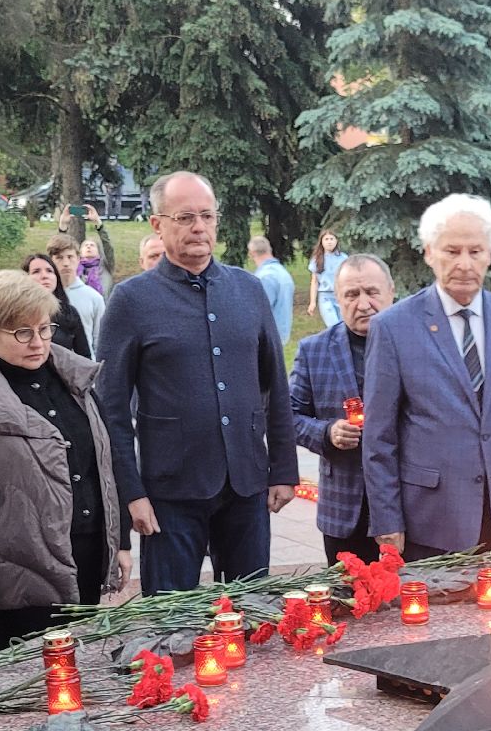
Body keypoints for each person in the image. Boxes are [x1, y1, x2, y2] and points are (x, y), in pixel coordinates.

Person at [94, 170, 297, 595]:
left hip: (245, 483)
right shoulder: (131, 301)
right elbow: (110, 408)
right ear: (157, 224)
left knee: (250, 611)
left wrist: (283, 468)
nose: (199, 227)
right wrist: (131, 493)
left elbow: (276, 386)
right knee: (171, 618)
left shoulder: (248, 290)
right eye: (185, 217)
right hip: (170, 491)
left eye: (207, 215)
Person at [0, 270, 130, 650]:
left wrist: (119, 540)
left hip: (83, 557)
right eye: (22, 333)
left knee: (79, 669)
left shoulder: (71, 377)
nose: (37, 342)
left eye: (44, 328)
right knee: (26, 678)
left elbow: (104, 461)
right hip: (13, 574)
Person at [364, 194, 491, 559]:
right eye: (452, 251)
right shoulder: (393, 328)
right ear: (429, 253)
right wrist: (387, 518)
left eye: (475, 251)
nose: (464, 264)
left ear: (490, 254)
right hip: (430, 515)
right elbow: (379, 436)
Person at [290, 254, 394, 563]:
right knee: (347, 592)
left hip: (407, 504)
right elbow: (288, 417)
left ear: (390, 292)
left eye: (372, 292)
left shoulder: (417, 346)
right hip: (344, 509)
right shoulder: (313, 350)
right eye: (351, 294)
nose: (363, 304)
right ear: (337, 298)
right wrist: (326, 432)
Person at [22, 251, 93, 359]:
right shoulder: (17, 313)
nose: (44, 276)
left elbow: (84, 356)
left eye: (49, 271)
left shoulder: (69, 312)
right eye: (36, 271)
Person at [47, 232, 105, 344]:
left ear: (78, 259)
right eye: (59, 258)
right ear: (51, 261)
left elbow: (100, 339)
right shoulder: (44, 297)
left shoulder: (94, 298)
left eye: (70, 257)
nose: (66, 263)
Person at [249, 235, 294, 346]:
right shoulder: (282, 272)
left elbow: (259, 310)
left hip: (267, 338)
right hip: (281, 333)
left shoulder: (265, 277)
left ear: (252, 253)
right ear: (269, 249)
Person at [306, 229, 347, 327]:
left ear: (336, 241)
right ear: (322, 242)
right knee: (333, 325)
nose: (329, 242)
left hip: (341, 296)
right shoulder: (316, 259)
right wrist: (312, 302)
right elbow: (314, 282)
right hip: (325, 297)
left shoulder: (343, 258)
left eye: (332, 239)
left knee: (343, 325)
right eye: (326, 239)